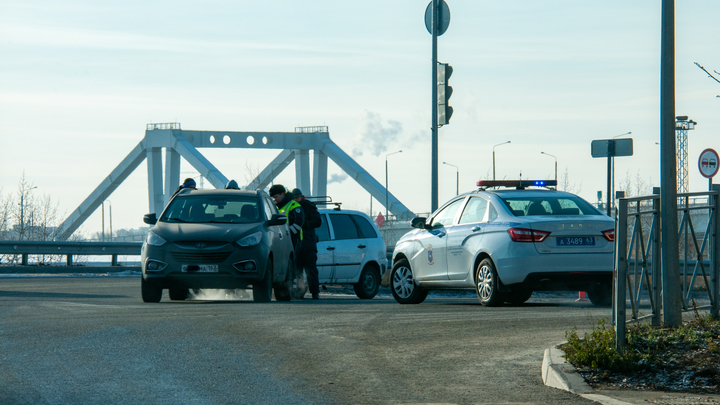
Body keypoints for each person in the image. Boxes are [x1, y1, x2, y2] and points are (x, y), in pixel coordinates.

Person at [268, 184, 305, 295]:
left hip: (293, 239)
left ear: (282, 194)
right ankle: (285, 288)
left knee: (292, 264)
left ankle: (294, 289)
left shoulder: (293, 205)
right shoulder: (277, 206)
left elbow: (299, 224)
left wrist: (287, 234)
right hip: (281, 239)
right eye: (273, 198)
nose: (274, 199)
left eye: (276, 197)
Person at [292, 188, 321, 300]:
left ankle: (315, 293)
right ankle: (298, 292)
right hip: (296, 245)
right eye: (293, 198)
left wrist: (303, 224)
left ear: (301, 196)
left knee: (311, 271)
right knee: (297, 271)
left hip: (308, 245)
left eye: (296, 197)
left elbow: (318, 221)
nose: (295, 200)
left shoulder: (308, 206)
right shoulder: (291, 206)